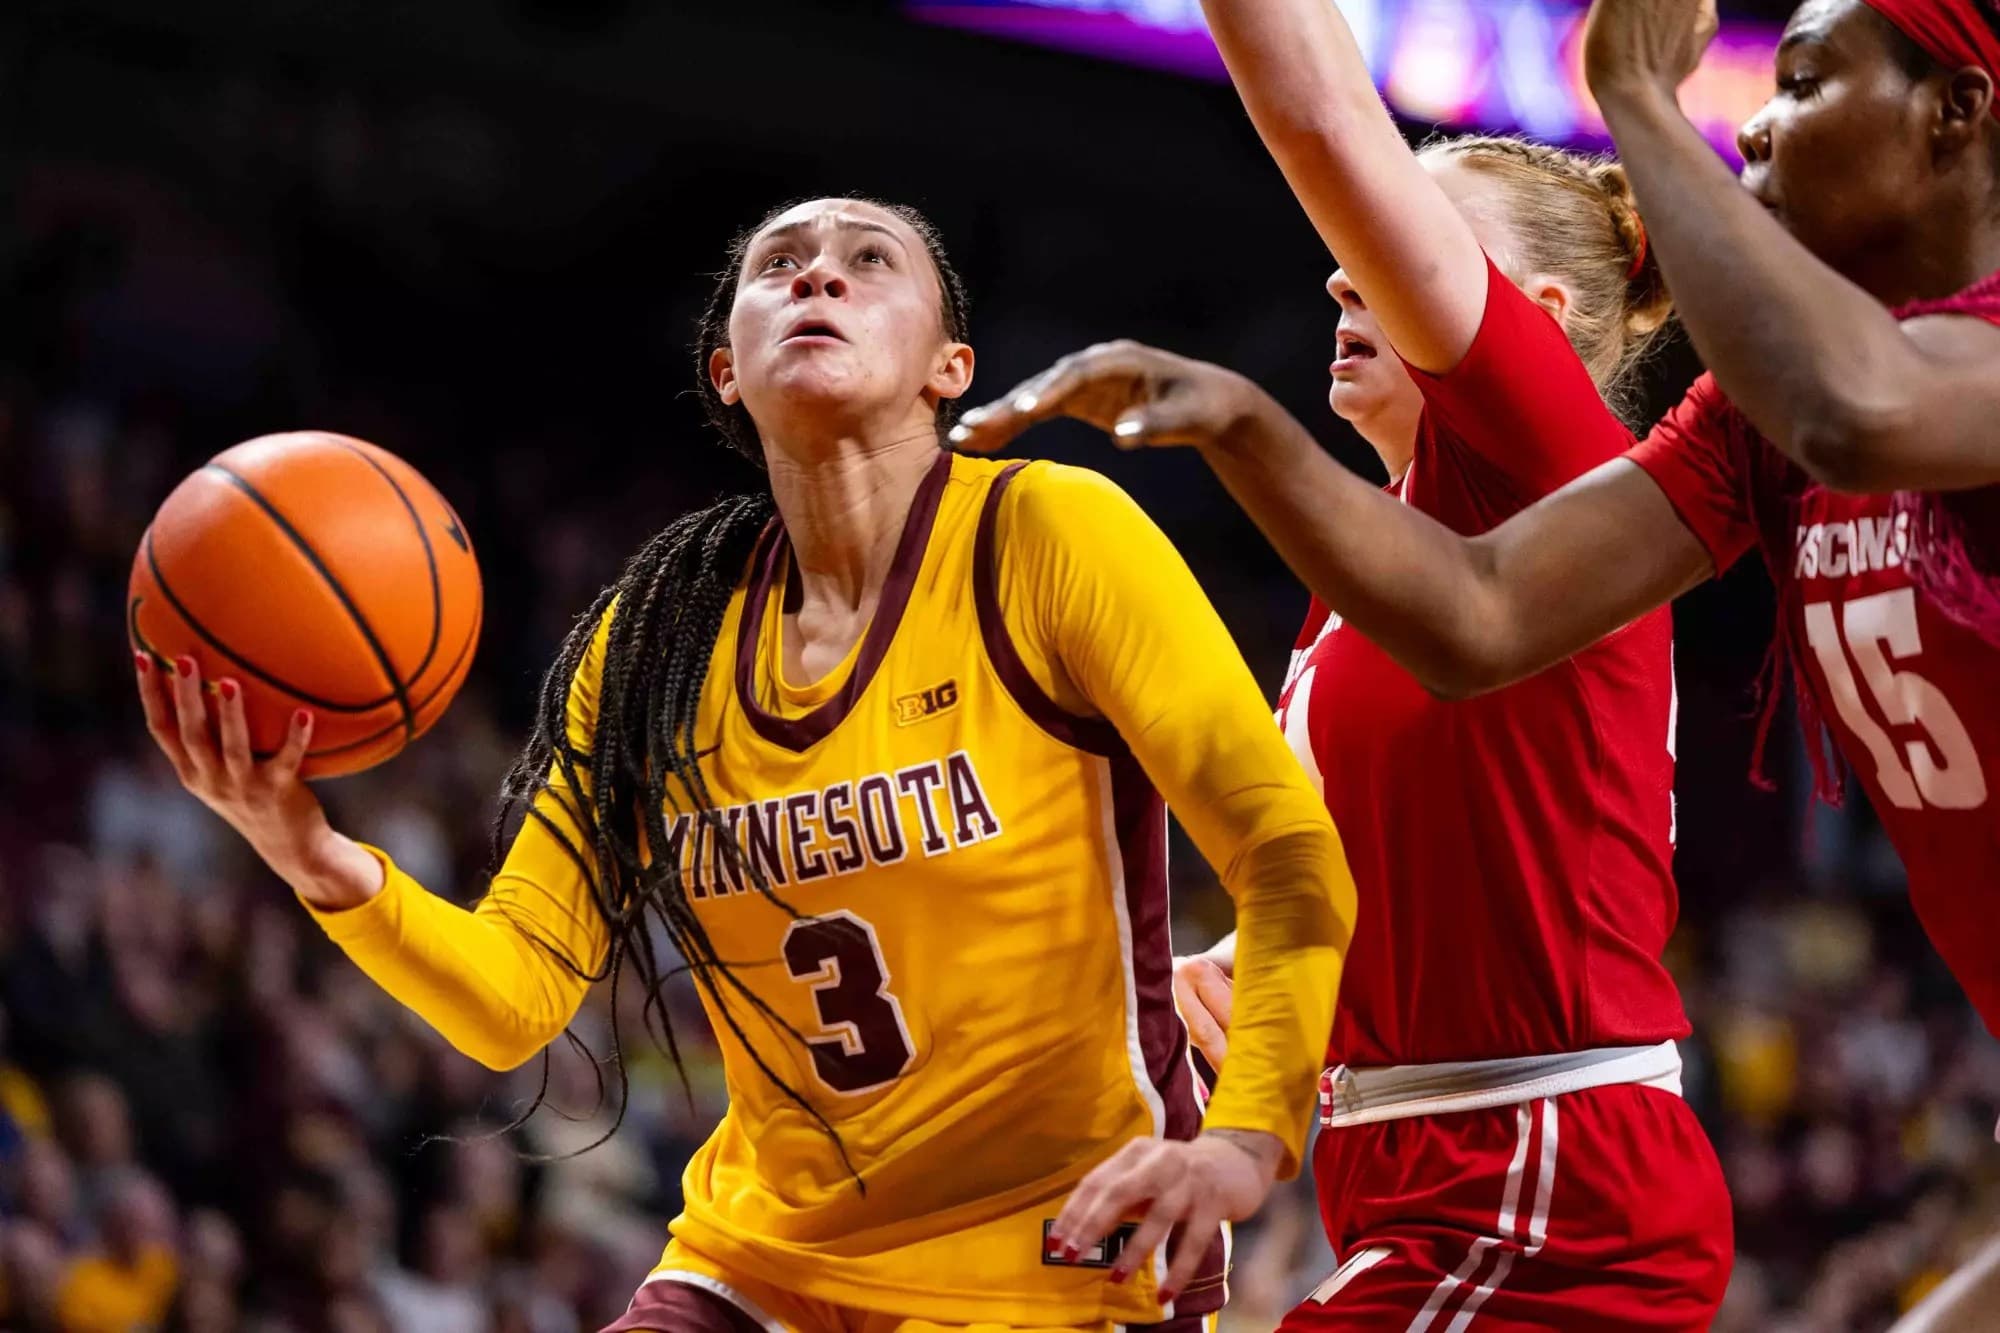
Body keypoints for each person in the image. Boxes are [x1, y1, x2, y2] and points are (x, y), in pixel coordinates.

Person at [133, 197, 1359, 1332]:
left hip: (1058, 1249)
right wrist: (310, 853)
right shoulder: (654, 636)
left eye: (868, 260)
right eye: (778, 265)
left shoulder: (1046, 535)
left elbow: (1288, 852)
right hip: (764, 1259)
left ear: (951, 369)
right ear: (727, 367)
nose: (817, 269)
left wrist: (1243, 1142)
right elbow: (513, 1002)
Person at [957, 0, 2000, 1315]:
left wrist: (1630, 88)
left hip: (1540, 1171)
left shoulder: (1549, 436)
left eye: (1395, 247)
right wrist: (1239, 985)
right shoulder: (1391, 589)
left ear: (1539, 316)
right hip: (1422, 1167)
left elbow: (1327, 117)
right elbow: (1473, 648)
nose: (1346, 271)